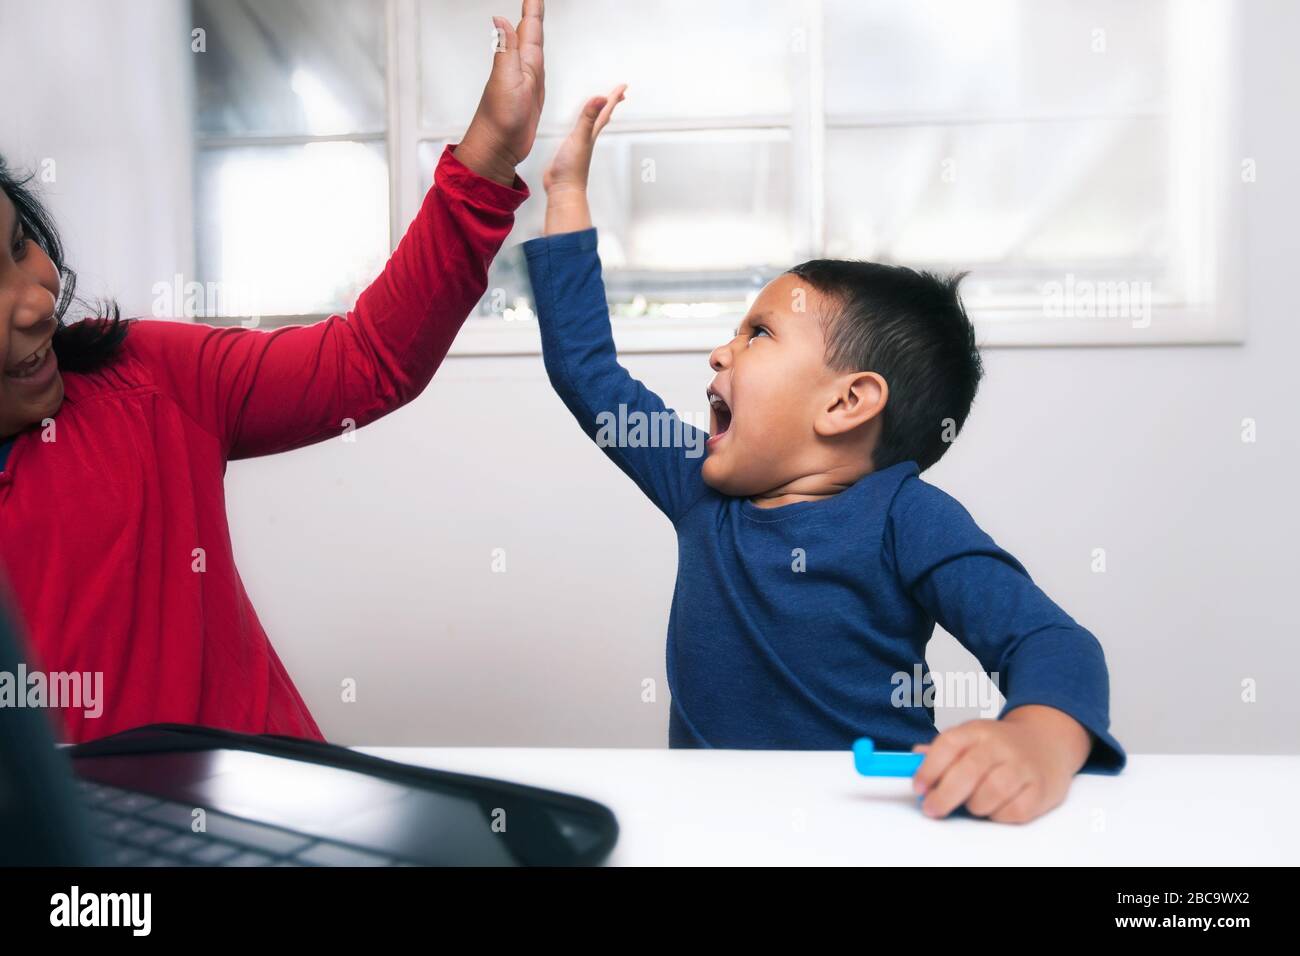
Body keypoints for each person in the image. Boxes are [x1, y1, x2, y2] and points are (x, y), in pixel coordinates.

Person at [523, 86, 1125, 823]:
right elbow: (585, 369)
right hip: (712, 827)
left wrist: (1037, 739)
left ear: (846, 403)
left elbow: (1050, 640)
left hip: (877, 824)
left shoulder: (909, 518)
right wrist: (565, 192)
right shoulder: (701, 489)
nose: (720, 351)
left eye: (758, 335)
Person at [0, 0, 545, 744]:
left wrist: (489, 153)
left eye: (20, 244)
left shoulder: (147, 376)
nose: (36, 302)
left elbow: (368, 361)